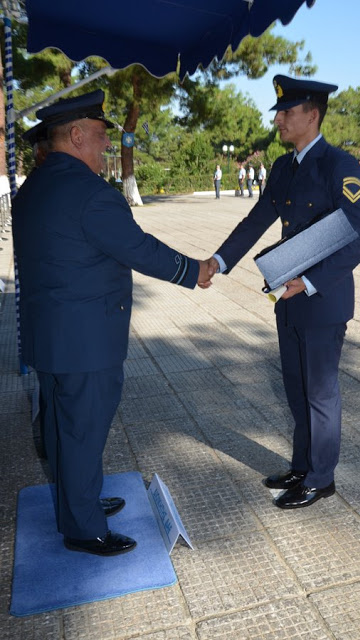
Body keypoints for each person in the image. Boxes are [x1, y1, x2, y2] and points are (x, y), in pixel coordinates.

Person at [12, 89, 214, 556]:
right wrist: (193, 270)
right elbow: (138, 249)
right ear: (77, 134)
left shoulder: (33, 188)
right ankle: (84, 528)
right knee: (82, 429)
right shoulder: (90, 193)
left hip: (49, 335)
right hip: (87, 341)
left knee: (63, 428)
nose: (108, 145)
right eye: (102, 136)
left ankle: (77, 500)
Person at [201, 75, 360, 510]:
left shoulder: (339, 166)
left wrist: (308, 282)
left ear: (312, 115)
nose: (278, 118)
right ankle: (301, 466)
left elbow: (358, 239)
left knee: (320, 393)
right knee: (296, 389)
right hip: (288, 297)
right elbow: (257, 220)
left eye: (287, 111)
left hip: (322, 298)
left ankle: (321, 478)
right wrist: (218, 262)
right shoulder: (283, 167)